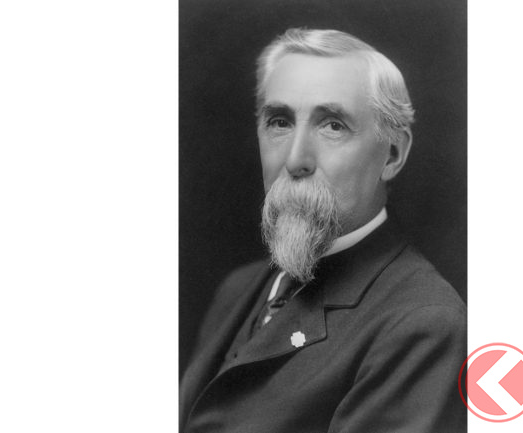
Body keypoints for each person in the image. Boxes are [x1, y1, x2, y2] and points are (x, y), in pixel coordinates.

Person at [180, 28, 467, 433]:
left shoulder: (423, 326)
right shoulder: (238, 289)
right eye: (280, 122)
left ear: (392, 154)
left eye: (333, 125)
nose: (295, 159)